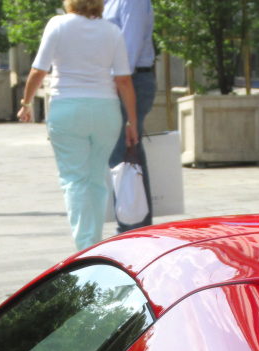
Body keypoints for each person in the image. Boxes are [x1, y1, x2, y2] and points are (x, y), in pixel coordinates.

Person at [17, 0, 138, 250]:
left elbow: (39, 70)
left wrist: (26, 102)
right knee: (96, 177)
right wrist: (132, 122)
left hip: (68, 108)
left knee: (74, 179)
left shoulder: (58, 25)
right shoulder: (112, 31)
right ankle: (93, 241)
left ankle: (84, 245)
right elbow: (124, 81)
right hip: (106, 110)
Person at [104, 0, 154, 230]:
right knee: (128, 156)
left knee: (124, 155)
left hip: (130, 81)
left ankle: (131, 230)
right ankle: (136, 227)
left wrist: (116, 90)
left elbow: (129, 53)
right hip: (120, 82)